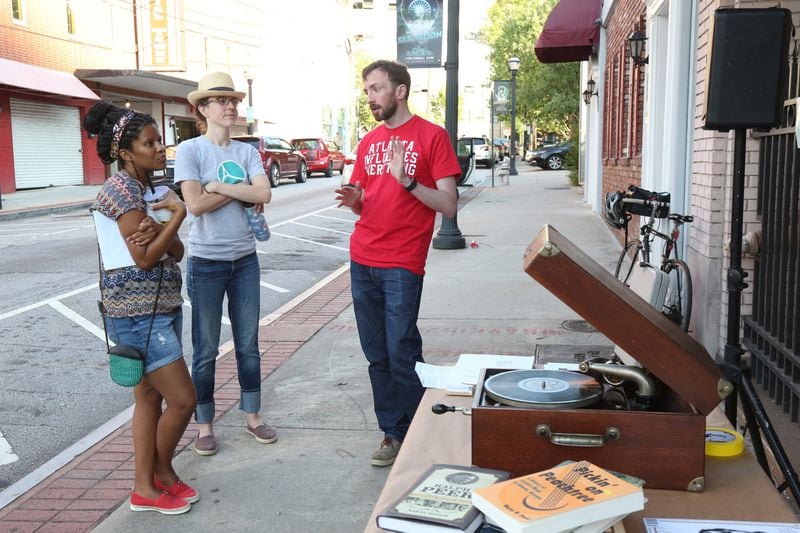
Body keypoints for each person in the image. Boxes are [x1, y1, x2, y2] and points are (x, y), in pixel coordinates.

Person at [334, 60, 461, 467]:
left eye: (376, 89)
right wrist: (357, 200)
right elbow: (365, 199)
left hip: (403, 263)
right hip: (362, 259)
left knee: (403, 353)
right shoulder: (370, 142)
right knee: (377, 356)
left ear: (400, 90)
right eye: (367, 90)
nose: (370, 97)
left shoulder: (432, 137)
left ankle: (425, 430)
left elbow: (448, 204)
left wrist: (407, 180)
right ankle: (393, 432)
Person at [84, 102, 196, 514]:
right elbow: (146, 258)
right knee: (184, 400)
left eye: (160, 141)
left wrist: (164, 227)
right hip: (137, 314)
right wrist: (178, 214)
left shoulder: (147, 190)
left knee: (149, 400)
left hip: (157, 308)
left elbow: (174, 251)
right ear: (127, 152)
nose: (161, 149)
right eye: (150, 143)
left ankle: (145, 488)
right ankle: (160, 474)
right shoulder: (121, 191)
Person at [174, 71, 274, 456]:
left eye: (233, 100)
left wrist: (216, 186)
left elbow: (264, 192)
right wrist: (238, 192)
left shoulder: (246, 151)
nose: (230, 106)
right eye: (221, 101)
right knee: (205, 349)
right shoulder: (191, 151)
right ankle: (205, 425)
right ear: (202, 109)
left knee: (248, 344)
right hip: (207, 262)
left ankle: (252, 417)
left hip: (245, 259)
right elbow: (194, 205)